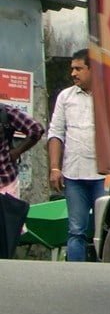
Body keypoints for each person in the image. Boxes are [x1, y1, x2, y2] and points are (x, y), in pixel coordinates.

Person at [47, 51, 104, 262]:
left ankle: (104, 275)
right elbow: (55, 133)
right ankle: (75, 275)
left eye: (78, 68)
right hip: (74, 175)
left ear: (92, 69)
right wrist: (55, 168)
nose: (73, 73)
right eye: (72, 68)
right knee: (76, 230)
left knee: (104, 230)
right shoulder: (66, 97)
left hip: (102, 176)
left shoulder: (106, 95)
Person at [1, 99, 45, 259]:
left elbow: (36, 129)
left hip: (5, 183)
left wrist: (18, 151)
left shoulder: (5, 113)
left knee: (7, 234)